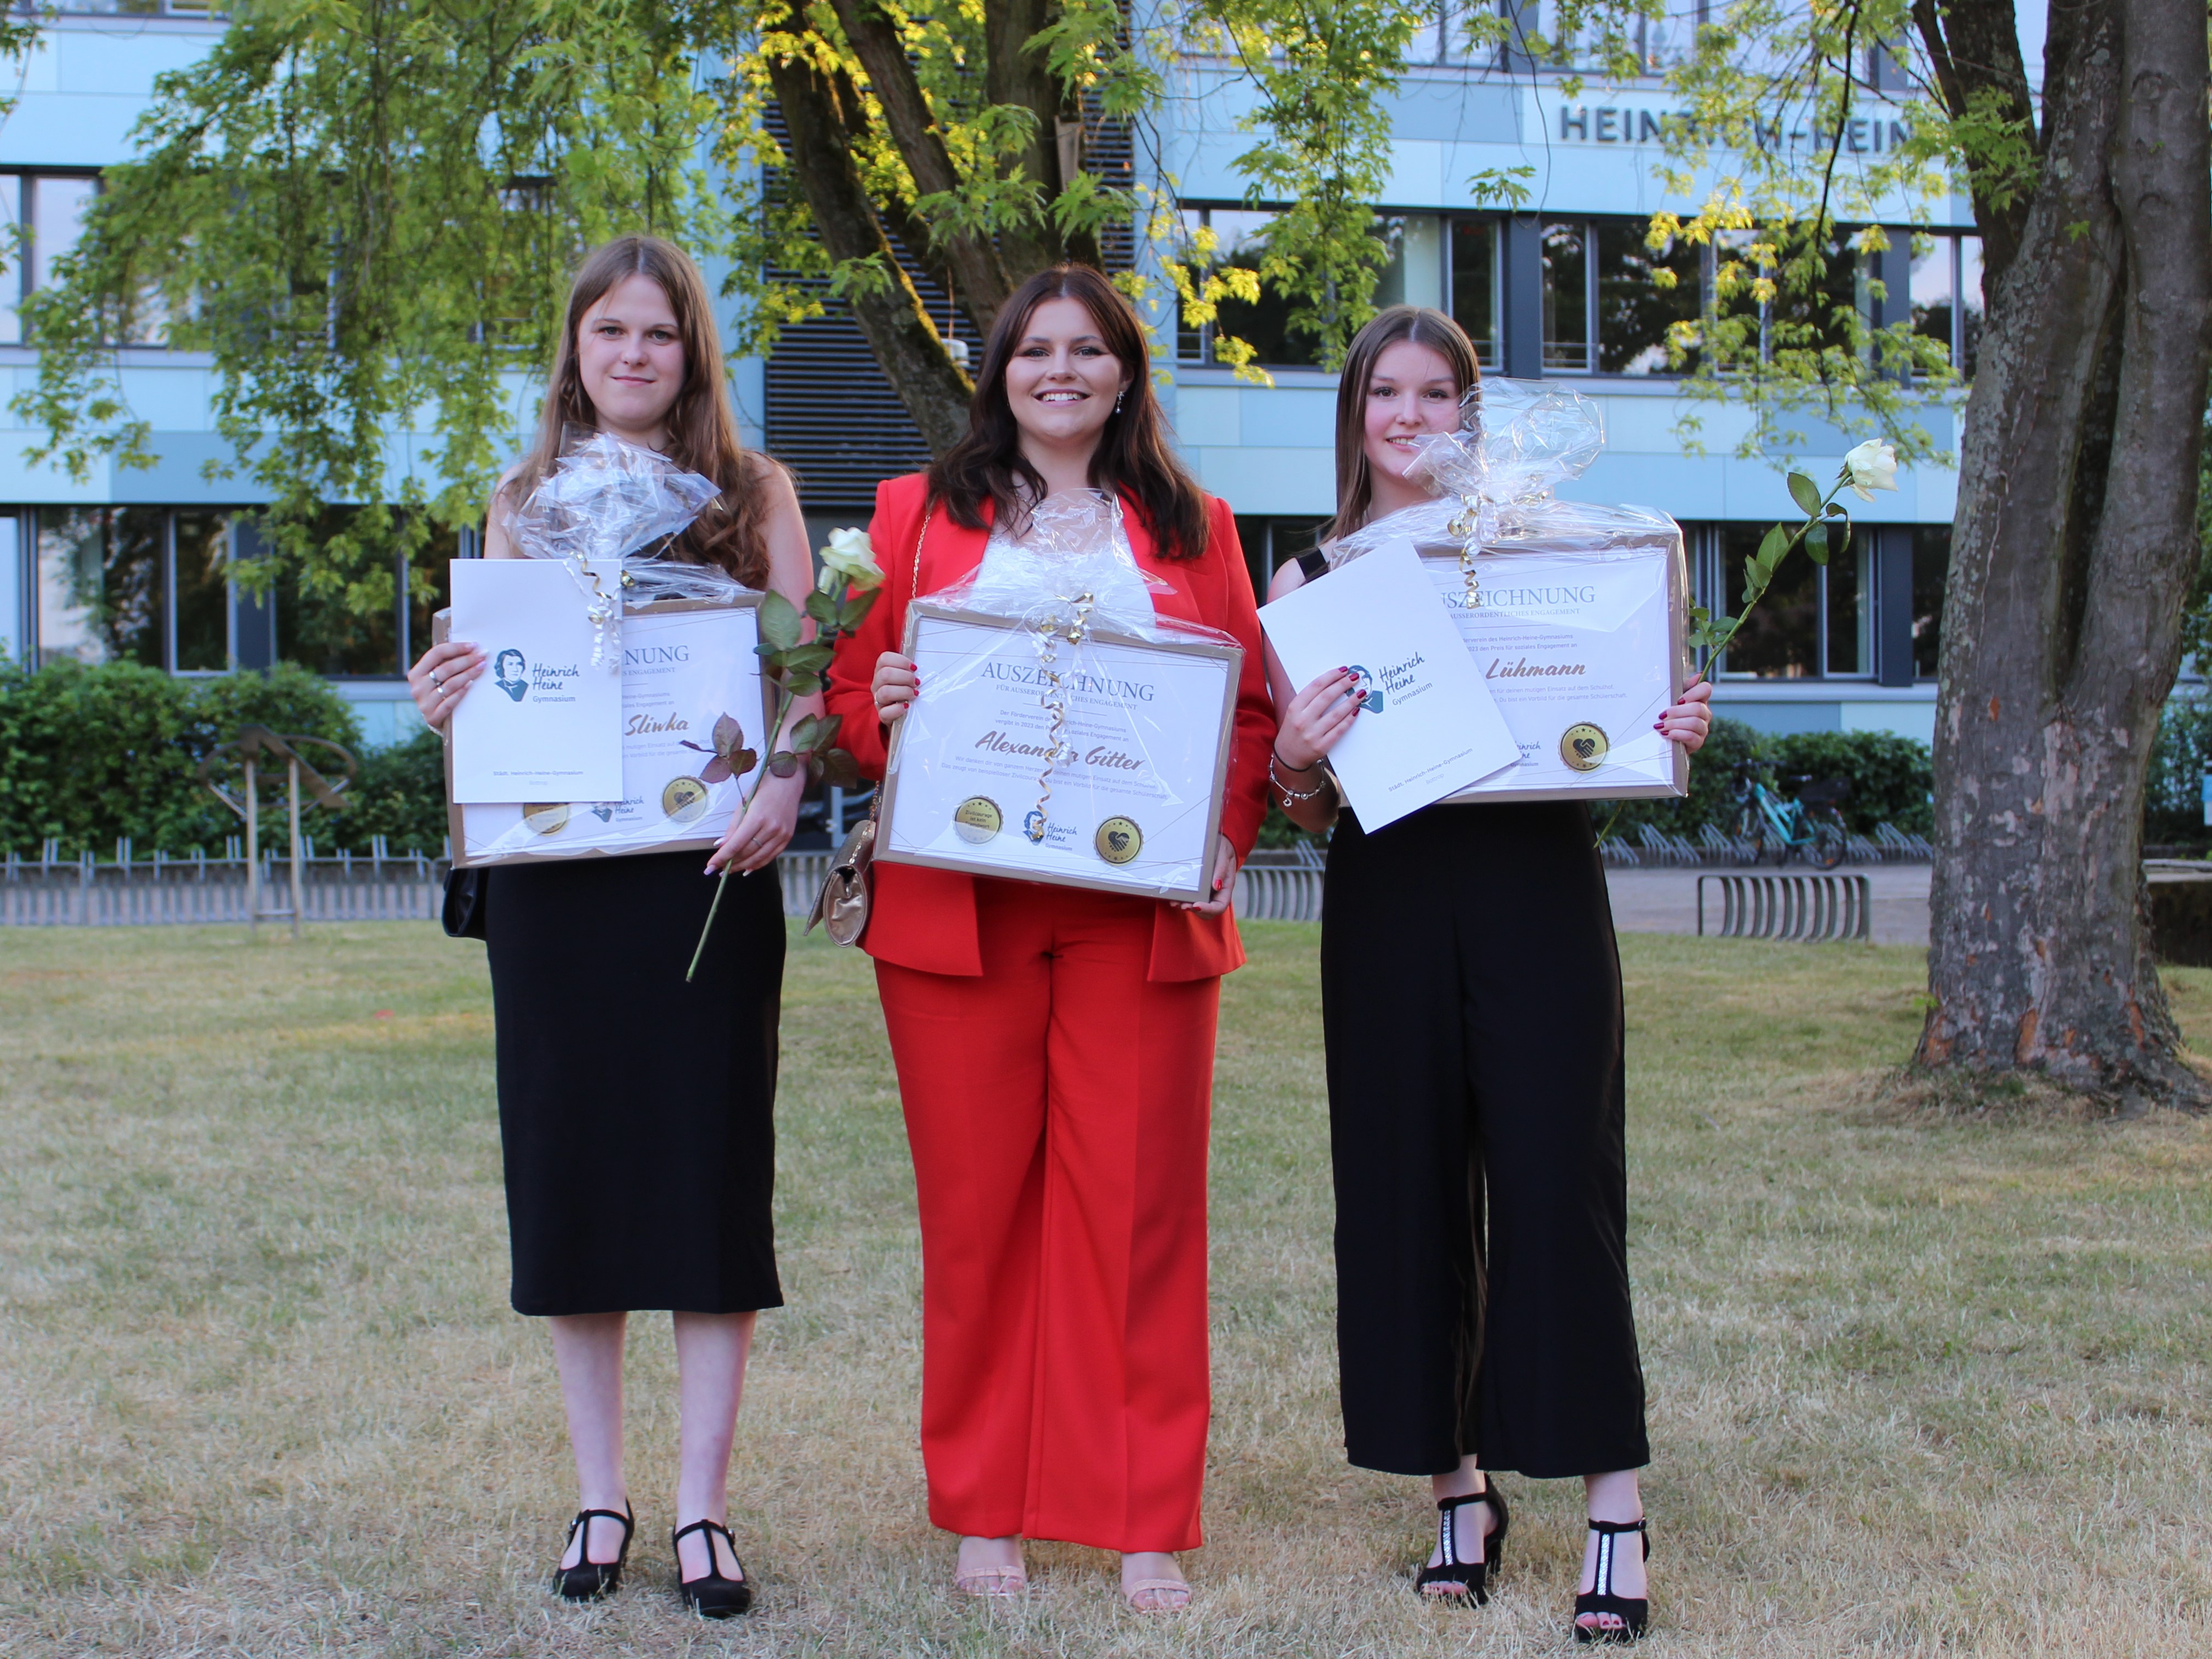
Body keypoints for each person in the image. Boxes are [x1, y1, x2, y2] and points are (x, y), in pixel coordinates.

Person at [822, 264, 1274, 1613]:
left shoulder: (1196, 525)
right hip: (959, 915)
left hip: (1138, 914)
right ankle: (988, 1513)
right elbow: (846, 699)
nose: (1059, 372)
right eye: (1034, 350)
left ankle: (1141, 1516)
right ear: (1000, 372)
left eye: (1086, 350)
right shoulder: (911, 518)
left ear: (1124, 374)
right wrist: (879, 704)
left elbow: (1248, 706)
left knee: (1136, 1217)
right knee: (977, 1222)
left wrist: (1226, 833)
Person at [1265, 306, 1713, 1643]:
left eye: (1434, 394)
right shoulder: (1312, 579)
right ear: (1352, 415)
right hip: (1389, 900)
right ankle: (1455, 1489)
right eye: (1384, 393)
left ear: (1469, 414)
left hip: (1537, 891)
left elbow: (1613, 722)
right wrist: (1294, 753)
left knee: (1558, 1180)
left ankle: (1614, 1506)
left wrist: (1665, 721)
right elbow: (1307, 809)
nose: (1408, 417)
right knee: (1402, 1187)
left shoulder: (1544, 550)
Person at [406, 235, 816, 1619]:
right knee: (570, 1175)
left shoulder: (755, 491)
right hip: (559, 883)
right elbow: (505, 689)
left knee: (708, 1173)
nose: (633, 354)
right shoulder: (521, 499)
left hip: (704, 870)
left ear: (690, 352)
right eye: (609, 332)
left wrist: (786, 780)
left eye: (658, 333)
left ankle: (702, 1509)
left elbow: (808, 677)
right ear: (574, 353)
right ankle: (599, 1496)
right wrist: (450, 698)